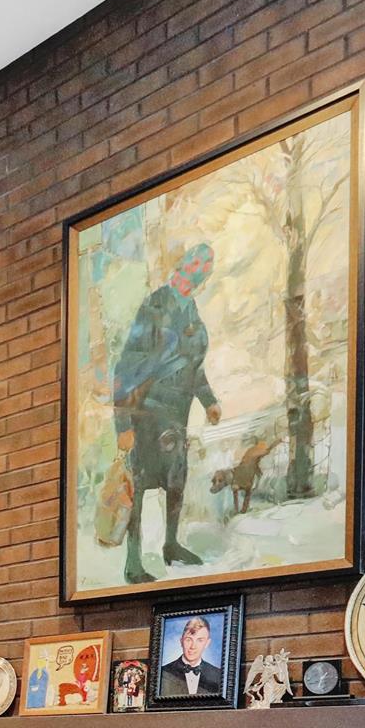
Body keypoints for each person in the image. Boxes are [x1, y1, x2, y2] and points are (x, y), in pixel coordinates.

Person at [113, 243, 221, 584]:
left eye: (205, 266)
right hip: (146, 413)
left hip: (176, 415)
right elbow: (127, 364)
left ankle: (171, 545)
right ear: (181, 266)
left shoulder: (192, 312)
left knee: (175, 481)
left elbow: (194, 367)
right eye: (195, 262)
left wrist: (209, 400)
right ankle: (133, 562)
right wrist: (122, 424)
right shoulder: (155, 306)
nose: (198, 270)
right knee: (139, 484)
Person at [158, 615, 225, 698]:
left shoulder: (218, 675)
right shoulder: (163, 673)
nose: (193, 646)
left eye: (200, 640)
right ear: (181, 641)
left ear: (207, 643)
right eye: (188, 639)